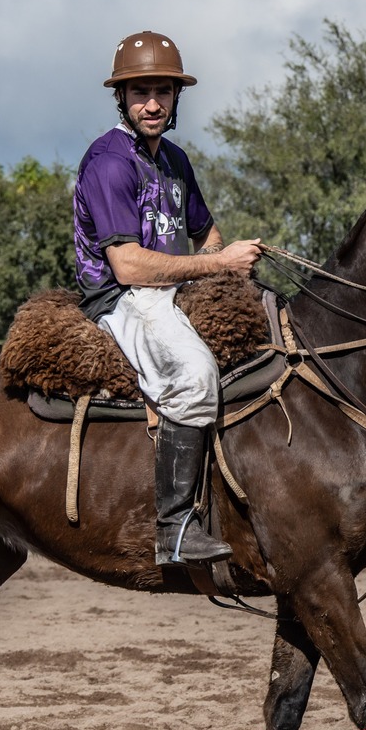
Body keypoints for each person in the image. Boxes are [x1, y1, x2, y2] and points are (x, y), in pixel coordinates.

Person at [72, 31, 264, 567]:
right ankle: (174, 527)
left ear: (177, 97)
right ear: (121, 99)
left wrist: (226, 271)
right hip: (121, 298)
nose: (152, 104)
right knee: (195, 373)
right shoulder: (109, 162)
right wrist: (217, 265)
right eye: (140, 93)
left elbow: (207, 233)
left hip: (174, 289)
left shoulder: (175, 159)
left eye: (163, 91)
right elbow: (128, 265)